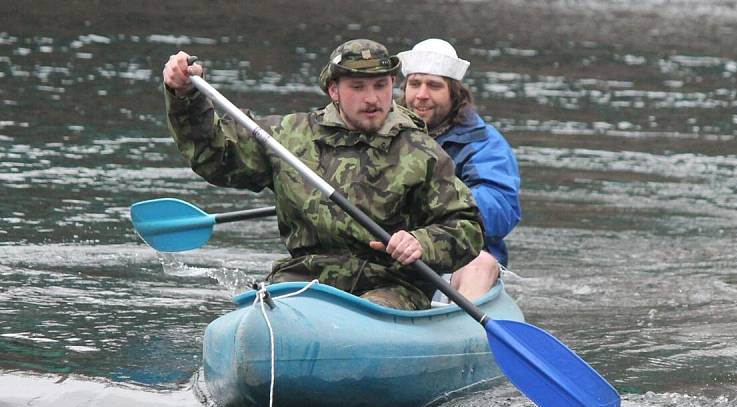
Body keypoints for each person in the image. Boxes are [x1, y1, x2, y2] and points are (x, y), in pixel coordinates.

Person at [161, 39, 484, 310]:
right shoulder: (287, 137)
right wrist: (186, 97)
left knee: (369, 315)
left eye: (380, 86)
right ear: (334, 90)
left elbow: (467, 229)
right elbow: (216, 158)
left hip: (391, 286)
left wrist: (421, 242)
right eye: (357, 87)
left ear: (392, 85)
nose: (372, 99)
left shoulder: (421, 151)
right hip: (303, 278)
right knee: (273, 310)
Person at [398, 39, 521, 300]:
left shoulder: (484, 143)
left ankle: (462, 328)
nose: (421, 95)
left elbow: (501, 208)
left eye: (433, 86)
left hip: (460, 256)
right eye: (414, 84)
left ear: (454, 92)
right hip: (395, 251)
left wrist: (428, 208)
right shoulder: (385, 134)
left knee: (480, 264)